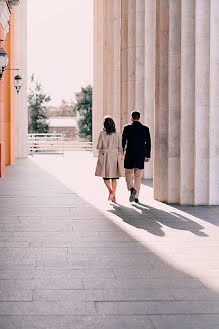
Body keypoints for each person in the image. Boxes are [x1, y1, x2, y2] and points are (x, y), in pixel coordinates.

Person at [122, 111, 151, 203]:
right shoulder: (145, 129)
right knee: (138, 176)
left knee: (128, 173)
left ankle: (131, 188)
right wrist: (147, 155)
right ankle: (136, 196)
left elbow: (123, 142)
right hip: (140, 155)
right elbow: (148, 143)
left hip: (129, 155)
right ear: (139, 118)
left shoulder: (126, 128)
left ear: (131, 118)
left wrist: (121, 153)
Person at [95, 116, 124, 202]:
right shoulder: (118, 134)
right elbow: (120, 147)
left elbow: (98, 146)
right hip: (114, 156)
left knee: (105, 177)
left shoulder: (102, 133)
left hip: (105, 157)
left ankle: (110, 191)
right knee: (114, 177)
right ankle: (114, 195)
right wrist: (121, 155)